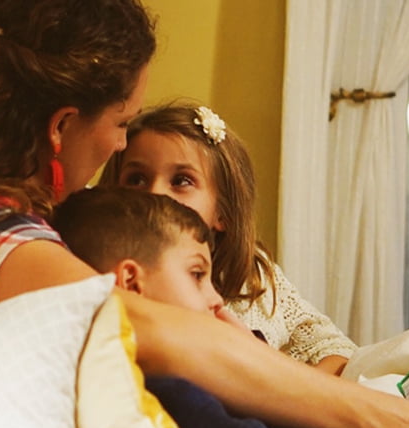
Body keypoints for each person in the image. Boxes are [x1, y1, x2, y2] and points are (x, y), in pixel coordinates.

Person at [0, 1, 409, 428]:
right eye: (121, 123)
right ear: (62, 126)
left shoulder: (5, 216)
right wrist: (375, 419)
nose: (120, 146)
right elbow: (164, 335)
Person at [52, 186, 378, 428]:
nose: (216, 298)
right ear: (132, 283)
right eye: (196, 275)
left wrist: (254, 355)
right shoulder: (168, 390)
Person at [98, 101, 354, 375]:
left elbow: (336, 350)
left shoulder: (254, 276)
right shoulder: (104, 275)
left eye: (181, 181)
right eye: (136, 179)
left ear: (223, 213)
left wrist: (289, 382)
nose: (155, 193)